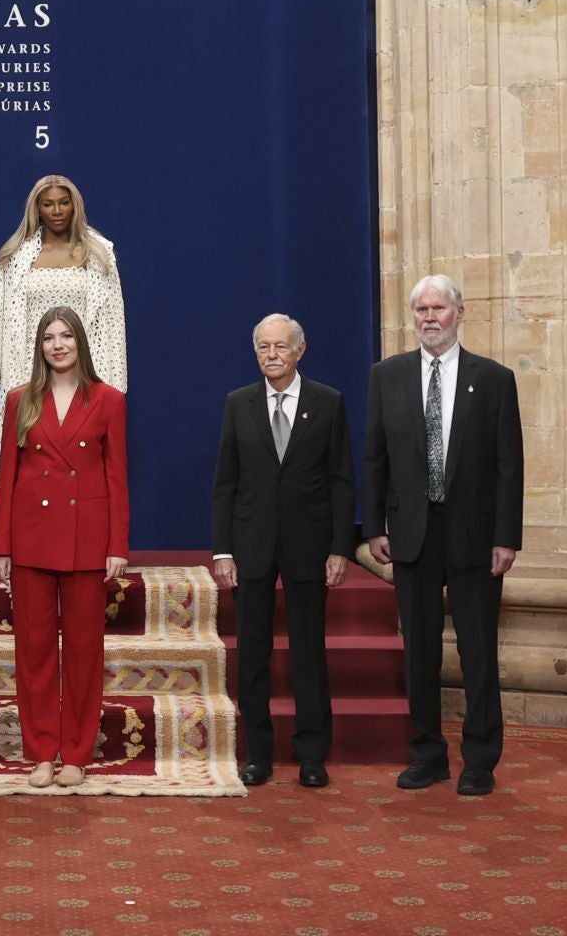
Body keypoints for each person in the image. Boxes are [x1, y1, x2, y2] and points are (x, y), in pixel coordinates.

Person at [364, 275, 522, 797]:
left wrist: (507, 537)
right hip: (411, 534)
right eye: (421, 310)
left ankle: (480, 761)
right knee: (420, 653)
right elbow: (375, 459)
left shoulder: (494, 379)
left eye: (439, 308)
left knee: (477, 652)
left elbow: (508, 466)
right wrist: (373, 530)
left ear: (460, 312)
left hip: (475, 537)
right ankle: (427, 755)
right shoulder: (387, 376)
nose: (429, 318)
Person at [209, 314, 355, 789]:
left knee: (308, 654)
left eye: (280, 347)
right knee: (252, 655)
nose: (271, 355)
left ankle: (312, 755)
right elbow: (225, 484)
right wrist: (223, 551)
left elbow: (340, 482)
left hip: (309, 545)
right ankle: (259, 755)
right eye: (263, 348)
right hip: (251, 545)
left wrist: (339, 548)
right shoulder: (238, 403)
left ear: (300, 350)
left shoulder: (328, 403)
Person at [0, 306, 129, 789]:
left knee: (85, 651)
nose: (58, 344)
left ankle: (76, 754)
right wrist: (0, 546)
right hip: (30, 537)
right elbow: (7, 476)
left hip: (88, 539)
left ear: (80, 342)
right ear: (39, 347)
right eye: (48, 337)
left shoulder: (108, 400)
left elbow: (117, 477)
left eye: (66, 335)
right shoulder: (19, 400)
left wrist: (118, 544)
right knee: (34, 650)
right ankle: (42, 752)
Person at [0, 174, 125, 507]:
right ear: (36, 209)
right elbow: (0, 315)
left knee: (81, 458)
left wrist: (112, 385)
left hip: (83, 373)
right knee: (28, 459)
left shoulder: (99, 252)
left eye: (63, 202)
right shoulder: (16, 257)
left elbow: (113, 322)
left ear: (75, 205)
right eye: (48, 203)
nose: (56, 210)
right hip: (28, 372)